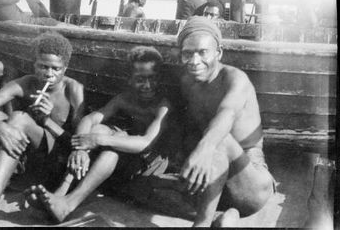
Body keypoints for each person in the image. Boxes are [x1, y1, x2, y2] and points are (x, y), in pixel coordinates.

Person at [24, 46, 181, 223]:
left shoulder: (162, 106)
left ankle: (68, 204)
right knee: (99, 129)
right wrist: (79, 150)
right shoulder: (124, 99)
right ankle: (60, 193)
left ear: (159, 78)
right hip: (127, 155)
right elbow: (90, 119)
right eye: (140, 79)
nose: (147, 85)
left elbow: (146, 143)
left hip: (149, 161)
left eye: (152, 78)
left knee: (110, 143)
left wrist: (98, 139)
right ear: (129, 80)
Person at [0, 32, 85, 227]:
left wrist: (47, 121)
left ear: (65, 68)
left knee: (19, 118)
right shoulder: (27, 83)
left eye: (56, 69)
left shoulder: (73, 89)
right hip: (28, 158)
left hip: (56, 165)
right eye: (43, 66)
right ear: (34, 64)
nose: (49, 74)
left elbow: (77, 143)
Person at [175, 16, 274, 227]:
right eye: (187, 54)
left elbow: (226, 114)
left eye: (202, 52)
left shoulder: (235, 79)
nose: (194, 61)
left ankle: (201, 224)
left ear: (218, 53)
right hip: (215, 185)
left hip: (251, 184)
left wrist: (204, 149)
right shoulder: (187, 81)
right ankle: (230, 216)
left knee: (219, 137)